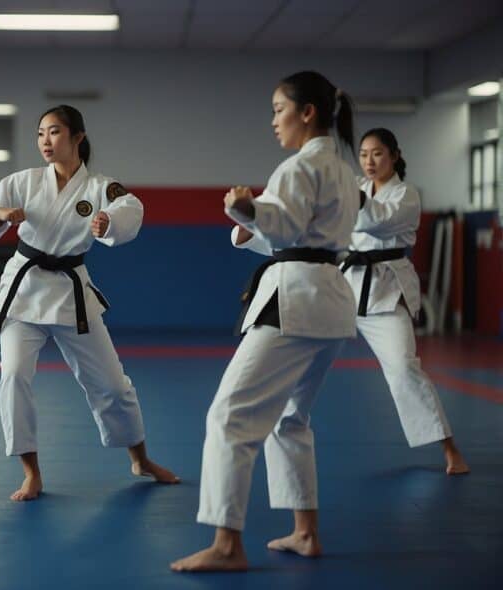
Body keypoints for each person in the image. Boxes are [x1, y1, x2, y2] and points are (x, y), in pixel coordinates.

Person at [171, 71, 359, 571]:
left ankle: (227, 545)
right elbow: (309, 231)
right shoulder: (343, 168)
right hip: (331, 301)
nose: (274, 120)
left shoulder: (299, 167)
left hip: (296, 300)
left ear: (308, 112)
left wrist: (247, 208)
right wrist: (255, 216)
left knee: (229, 416)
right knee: (290, 418)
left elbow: (286, 222)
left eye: (279, 109)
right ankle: (305, 532)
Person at [0, 104, 180, 502]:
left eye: (54, 133)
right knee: (13, 376)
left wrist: (109, 223)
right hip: (25, 289)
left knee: (113, 385)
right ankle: (30, 472)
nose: (45, 141)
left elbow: (130, 206)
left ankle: (140, 458)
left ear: (77, 137)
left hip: (71, 294)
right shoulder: (23, 180)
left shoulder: (100, 186)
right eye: (40, 134)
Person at [344, 127, 469, 474]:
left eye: (378, 153)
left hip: (385, 289)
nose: (369, 161)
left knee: (402, 369)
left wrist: (346, 193)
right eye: (364, 154)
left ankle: (449, 449)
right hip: (343, 286)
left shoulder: (406, 195)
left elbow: (377, 222)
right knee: (296, 352)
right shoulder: (354, 187)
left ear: (395, 156)